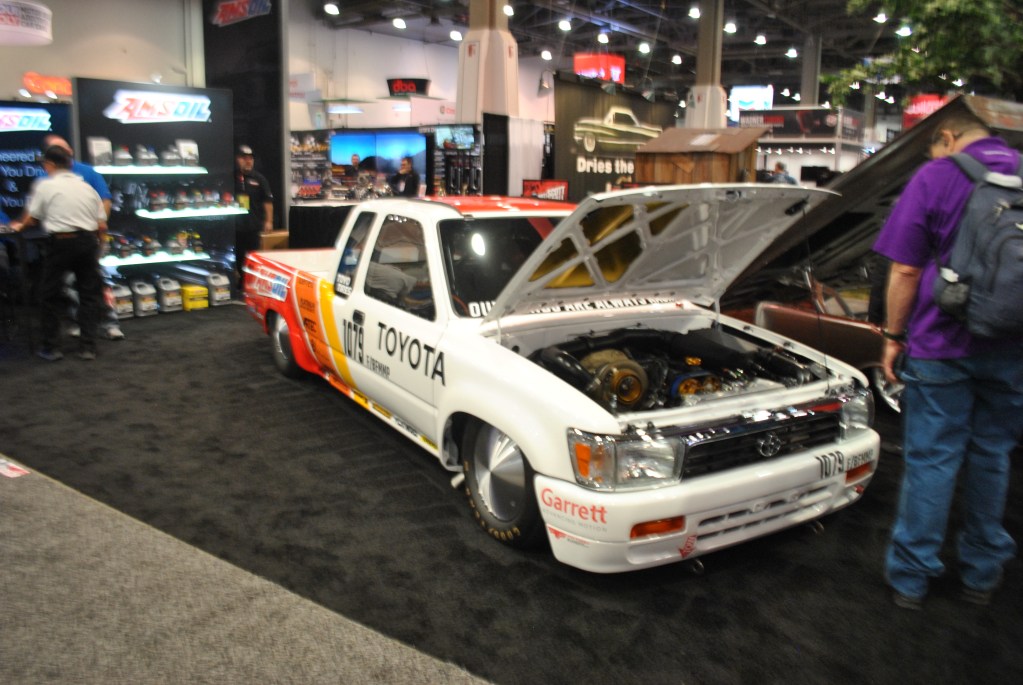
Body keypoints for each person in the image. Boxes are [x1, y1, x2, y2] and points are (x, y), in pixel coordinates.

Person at [873, 113, 1023, 610]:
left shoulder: (937, 175)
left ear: (947, 137)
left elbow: (906, 269)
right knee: (992, 454)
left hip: (942, 343)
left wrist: (893, 337)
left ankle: (911, 580)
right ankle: (982, 573)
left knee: (933, 459)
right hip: (1012, 345)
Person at [10, 145, 107, 361]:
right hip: (87, 242)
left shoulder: (45, 185)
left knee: (50, 294)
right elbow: (101, 224)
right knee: (89, 295)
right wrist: (99, 248)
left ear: (50, 165)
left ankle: (51, 347)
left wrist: (18, 226)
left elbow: (32, 218)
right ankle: (88, 347)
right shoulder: (86, 188)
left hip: (61, 243)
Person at [41, 134, 124, 341]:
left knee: (96, 282)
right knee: (69, 285)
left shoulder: (87, 172)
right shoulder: (46, 177)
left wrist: (99, 226)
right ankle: (80, 324)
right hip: (63, 239)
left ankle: (109, 323)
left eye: (65, 148)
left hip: (88, 237)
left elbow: (105, 200)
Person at [234, 144, 274, 286]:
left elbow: (267, 201)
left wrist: (269, 221)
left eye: (250, 158)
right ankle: (242, 282)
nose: (248, 161)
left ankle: (252, 283)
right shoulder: (232, 177)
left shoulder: (259, 179)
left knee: (253, 255)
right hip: (236, 226)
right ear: (237, 159)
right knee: (238, 255)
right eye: (244, 158)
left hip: (253, 225)